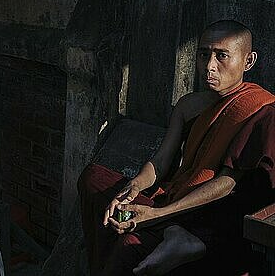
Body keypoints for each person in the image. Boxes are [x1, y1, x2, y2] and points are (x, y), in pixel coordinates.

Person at [78, 20, 275, 275]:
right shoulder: (188, 105)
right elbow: (161, 162)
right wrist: (134, 186)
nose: (209, 66)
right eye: (204, 54)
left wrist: (157, 214)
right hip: (174, 194)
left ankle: (169, 235)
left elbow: (227, 184)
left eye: (222, 56)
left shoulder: (261, 110)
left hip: (205, 210)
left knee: (130, 246)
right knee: (93, 178)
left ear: (248, 61)